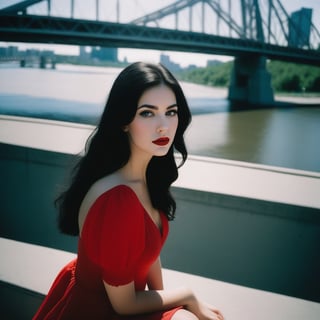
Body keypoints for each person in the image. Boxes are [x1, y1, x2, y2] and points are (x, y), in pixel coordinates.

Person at [33, 62, 224, 320]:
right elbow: (124, 305)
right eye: (147, 113)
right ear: (123, 121)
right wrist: (186, 296)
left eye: (171, 112)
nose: (163, 126)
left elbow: (149, 254)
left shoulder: (143, 179)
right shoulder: (117, 201)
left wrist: (168, 304)